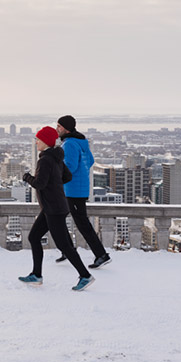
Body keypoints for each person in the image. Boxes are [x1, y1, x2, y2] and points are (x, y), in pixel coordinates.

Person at [19, 126, 95, 292]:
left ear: (45, 141)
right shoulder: (56, 157)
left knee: (64, 246)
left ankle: (85, 275)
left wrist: (27, 177)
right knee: (34, 237)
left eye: (38, 139)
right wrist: (54, 184)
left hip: (53, 209)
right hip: (52, 207)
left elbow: (39, 183)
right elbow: (67, 176)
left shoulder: (45, 160)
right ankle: (36, 275)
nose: (36, 142)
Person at [54, 115, 112, 269]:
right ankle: (68, 250)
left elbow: (70, 167)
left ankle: (101, 254)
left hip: (72, 190)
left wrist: (55, 169)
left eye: (59, 126)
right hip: (77, 188)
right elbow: (90, 161)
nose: (56, 129)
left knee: (82, 223)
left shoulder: (69, 144)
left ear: (66, 128)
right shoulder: (81, 142)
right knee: (60, 219)